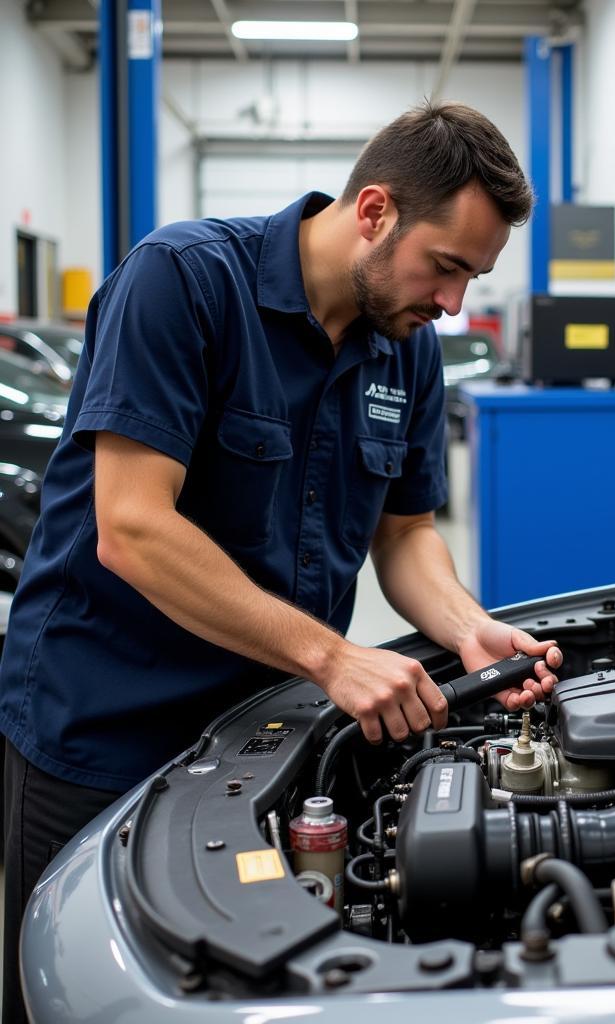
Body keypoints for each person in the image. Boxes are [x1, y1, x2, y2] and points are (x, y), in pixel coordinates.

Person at [0, 101, 560, 1023]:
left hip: (262, 730)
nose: (453, 304)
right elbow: (131, 527)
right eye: (448, 266)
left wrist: (469, 631)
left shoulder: (407, 352)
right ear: (374, 210)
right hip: (100, 721)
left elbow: (406, 535)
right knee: (71, 994)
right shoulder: (182, 283)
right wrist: (336, 659)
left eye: (475, 277)